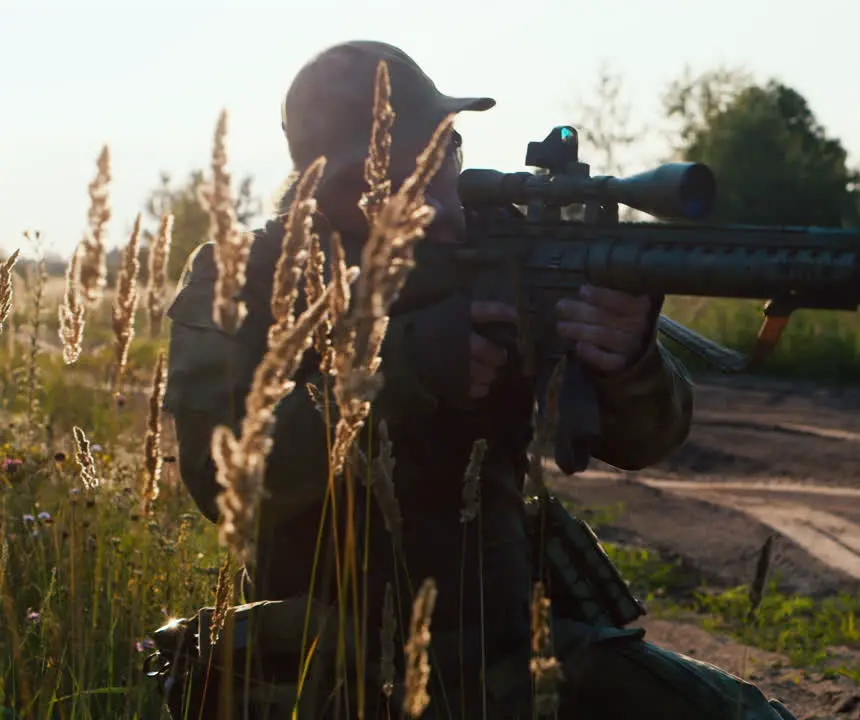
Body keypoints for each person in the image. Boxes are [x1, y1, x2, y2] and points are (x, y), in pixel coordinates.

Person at [162, 39, 796, 720]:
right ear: (324, 189)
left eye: (443, 163)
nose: (436, 205)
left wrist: (627, 361)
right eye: (394, 179)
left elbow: (645, 440)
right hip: (334, 669)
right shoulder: (243, 278)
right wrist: (395, 368)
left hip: (506, 651)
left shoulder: (501, 251)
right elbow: (219, 477)